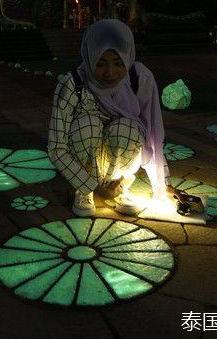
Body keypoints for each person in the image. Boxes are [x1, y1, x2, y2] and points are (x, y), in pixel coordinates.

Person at [47, 19, 190, 217]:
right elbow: (56, 147)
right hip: (86, 164)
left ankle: (120, 187)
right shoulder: (73, 84)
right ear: (89, 56)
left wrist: (163, 184)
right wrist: (85, 183)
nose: (110, 73)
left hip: (119, 165)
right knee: (87, 124)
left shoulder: (139, 79)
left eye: (118, 62)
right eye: (101, 63)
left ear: (128, 55)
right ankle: (85, 193)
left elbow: (153, 136)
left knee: (129, 128)